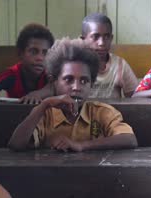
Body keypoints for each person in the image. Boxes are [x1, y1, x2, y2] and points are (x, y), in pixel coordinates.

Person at [8, 38, 138, 152]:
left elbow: (129, 139)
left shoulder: (102, 112)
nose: (76, 88)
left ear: (91, 84)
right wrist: (44, 104)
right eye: (68, 79)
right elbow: (16, 144)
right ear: (54, 81)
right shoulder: (45, 115)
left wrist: (82, 145)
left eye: (84, 81)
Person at [27, 13, 138, 100]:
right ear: (83, 39)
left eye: (107, 37)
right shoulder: (74, 65)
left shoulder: (119, 65)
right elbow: (51, 88)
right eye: (95, 37)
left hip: (108, 116)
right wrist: (37, 94)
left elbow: (134, 96)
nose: (101, 43)